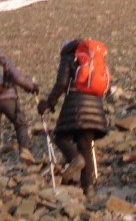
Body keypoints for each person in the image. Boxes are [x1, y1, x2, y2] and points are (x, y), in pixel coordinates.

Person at [37, 39, 109, 197]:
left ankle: (75, 159)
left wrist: (48, 104)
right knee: (86, 146)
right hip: (96, 108)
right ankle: (88, 189)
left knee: (61, 137)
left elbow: (61, 84)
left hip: (75, 106)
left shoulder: (69, 58)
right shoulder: (95, 58)